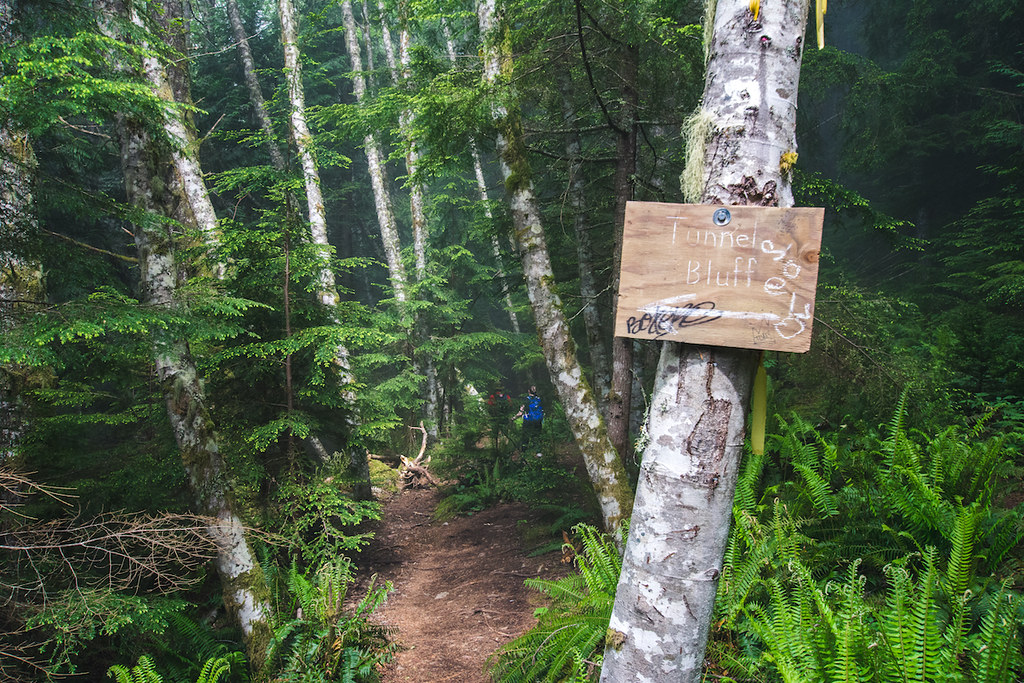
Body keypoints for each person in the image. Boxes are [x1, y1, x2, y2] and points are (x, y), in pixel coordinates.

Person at [515, 386, 544, 457]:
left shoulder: (526, 400)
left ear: (528, 391)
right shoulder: (539, 399)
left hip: (528, 421)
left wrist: (513, 418)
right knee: (536, 436)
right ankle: (538, 452)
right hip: (538, 421)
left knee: (525, 436)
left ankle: (524, 453)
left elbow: (520, 412)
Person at [487, 386, 514, 451]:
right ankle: (505, 447)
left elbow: (489, 407)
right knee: (505, 432)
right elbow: (511, 405)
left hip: (495, 417)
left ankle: (496, 448)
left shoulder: (492, 397)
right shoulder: (506, 396)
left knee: (495, 433)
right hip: (504, 416)